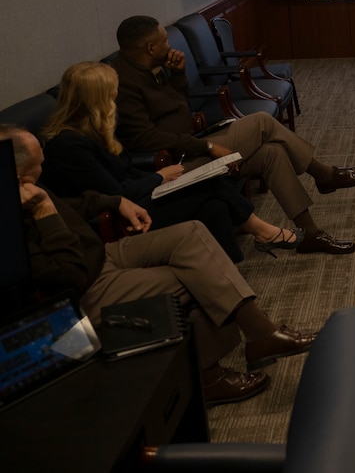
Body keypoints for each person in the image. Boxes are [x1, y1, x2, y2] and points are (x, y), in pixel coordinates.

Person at [4, 124, 317, 407]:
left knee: (191, 233)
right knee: (196, 278)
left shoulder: (28, 189)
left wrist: (115, 202)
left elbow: (70, 205)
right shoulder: (14, 228)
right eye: (38, 166)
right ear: (16, 177)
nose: (44, 168)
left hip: (104, 253)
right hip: (87, 287)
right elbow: (69, 274)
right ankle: (211, 377)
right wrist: (45, 213)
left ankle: (261, 336)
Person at [110, 16, 355, 255]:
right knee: (261, 122)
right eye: (164, 40)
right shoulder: (125, 83)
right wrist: (209, 145)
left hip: (193, 145)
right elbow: (145, 139)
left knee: (273, 153)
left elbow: (177, 109)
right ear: (150, 49)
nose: (170, 45)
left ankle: (311, 233)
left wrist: (178, 75)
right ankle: (324, 174)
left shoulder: (154, 68)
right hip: (176, 166)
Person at [40, 62, 300, 262]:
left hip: (137, 198)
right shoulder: (68, 145)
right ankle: (260, 231)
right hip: (118, 219)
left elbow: (127, 172)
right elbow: (114, 194)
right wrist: (160, 177)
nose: (116, 99)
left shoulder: (93, 130)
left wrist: (162, 179)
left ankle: (233, 272)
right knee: (208, 188)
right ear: (95, 99)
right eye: (111, 94)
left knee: (214, 204)